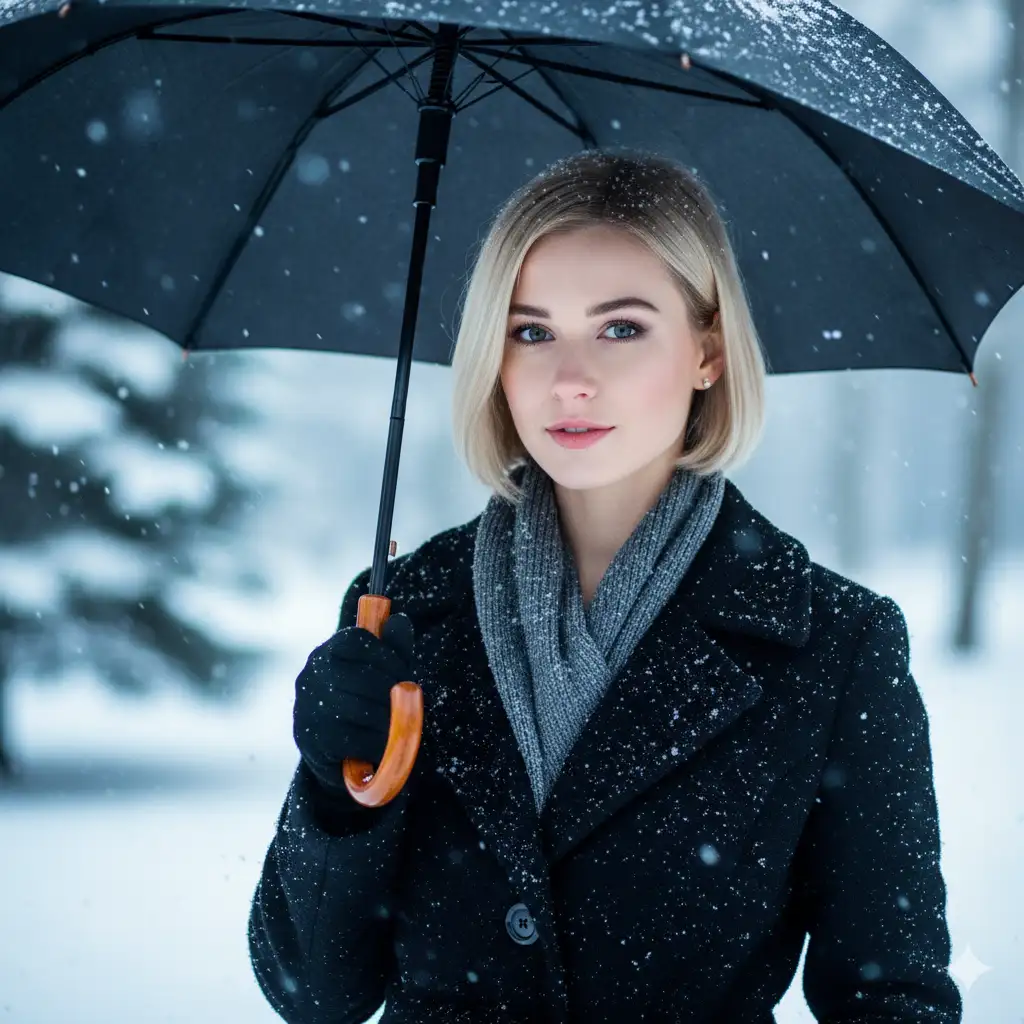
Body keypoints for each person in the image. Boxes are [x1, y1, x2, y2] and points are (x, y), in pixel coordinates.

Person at [247, 148, 962, 1024]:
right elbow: (312, 992)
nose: (569, 378)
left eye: (621, 328)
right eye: (531, 330)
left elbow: (892, 998)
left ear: (707, 350)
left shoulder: (835, 643)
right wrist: (334, 790)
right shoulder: (405, 612)